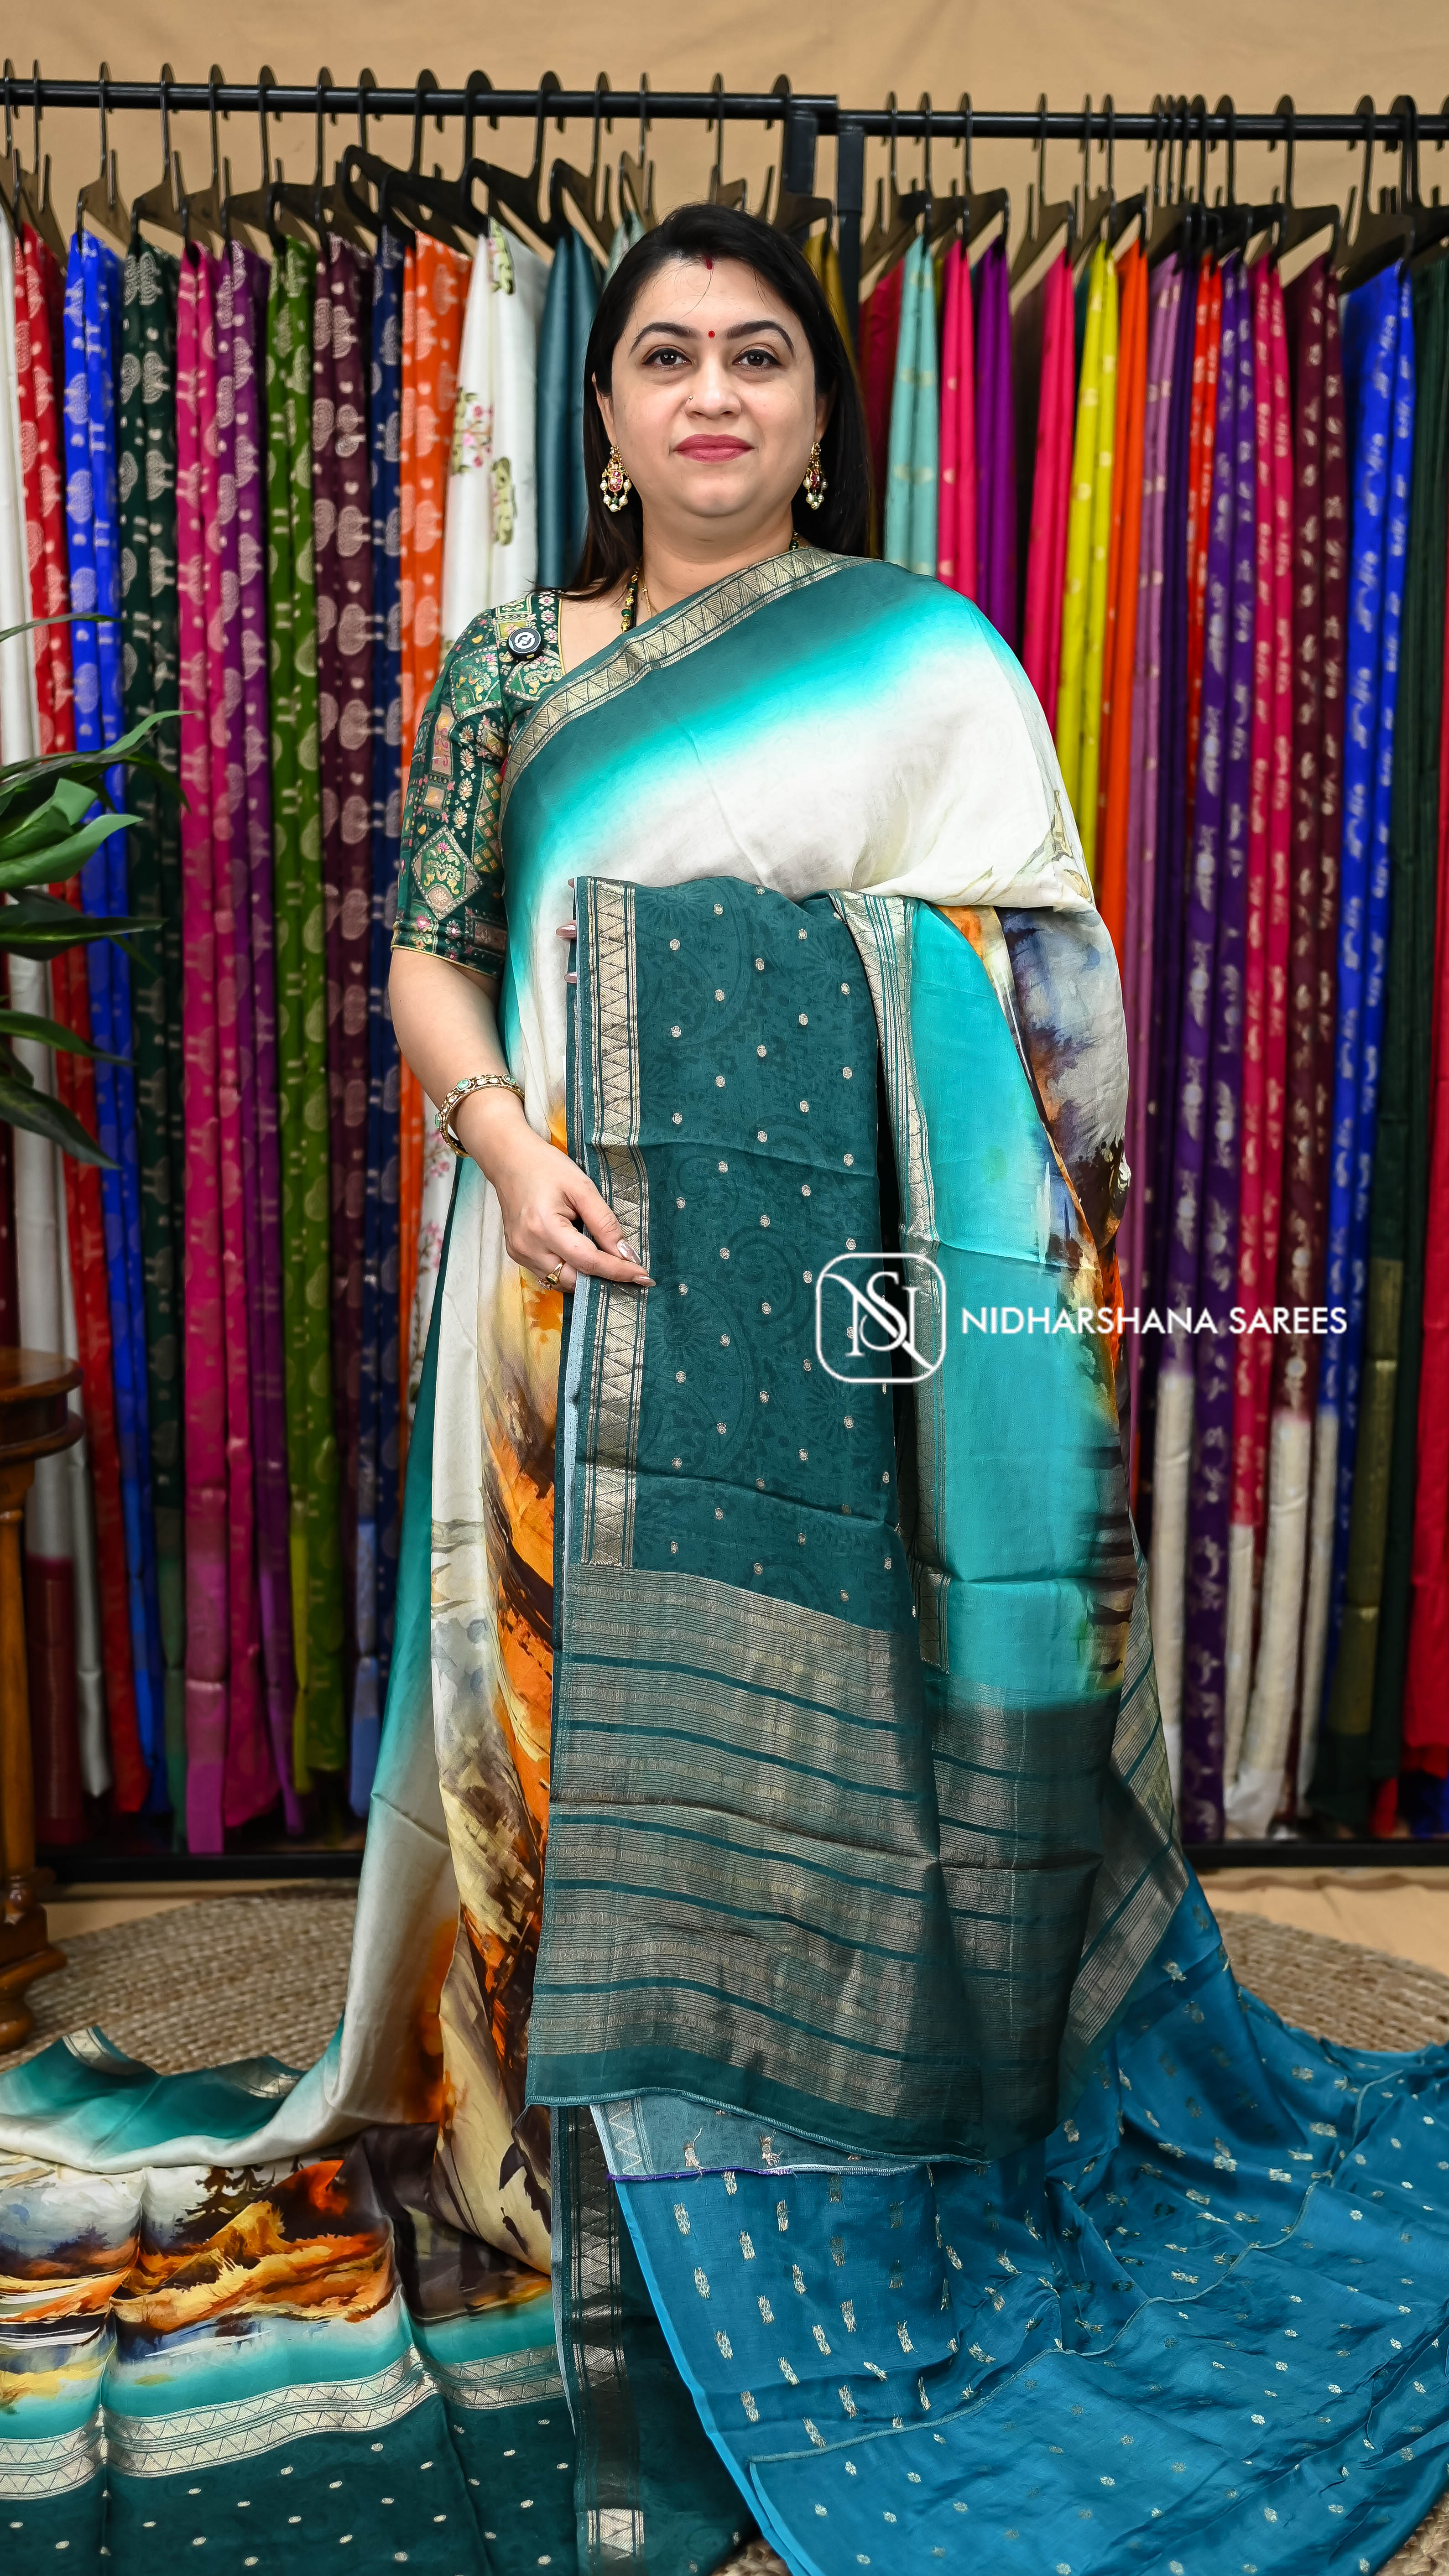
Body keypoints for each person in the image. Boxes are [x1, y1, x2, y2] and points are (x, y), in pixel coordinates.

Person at [2, 203, 1448, 2576]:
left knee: (824, 1738)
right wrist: (506, 1139)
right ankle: (558, 2154)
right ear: (602, 405)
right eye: (664, 354)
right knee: (549, 1732)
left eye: (756, 356)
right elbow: (430, 953)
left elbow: (1043, 993)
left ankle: (810, 2132)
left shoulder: (922, 659)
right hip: (549, 1271)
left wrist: (792, 1007)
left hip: (829, 1319)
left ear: (816, 409)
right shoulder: (507, 666)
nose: (707, 394)